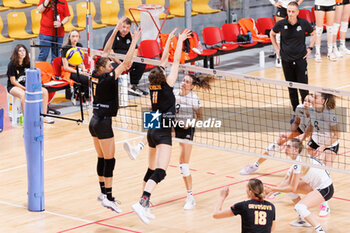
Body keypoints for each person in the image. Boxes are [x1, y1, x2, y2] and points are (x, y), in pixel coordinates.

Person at [131, 29, 192, 224]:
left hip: (151, 132)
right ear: (164, 76)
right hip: (163, 133)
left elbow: (164, 59)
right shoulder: (167, 84)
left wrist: (167, 42)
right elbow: (174, 61)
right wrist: (180, 41)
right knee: (161, 172)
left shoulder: (153, 85)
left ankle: (145, 206)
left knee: (151, 170)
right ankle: (142, 202)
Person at [89, 17, 141, 213]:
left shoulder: (96, 72)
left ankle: (103, 192)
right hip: (103, 123)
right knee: (110, 160)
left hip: (94, 121)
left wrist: (115, 30)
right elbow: (127, 62)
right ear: (104, 68)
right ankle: (109, 198)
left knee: (102, 158)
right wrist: (134, 40)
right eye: (110, 66)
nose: (112, 66)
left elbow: (106, 52)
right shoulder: (108, 77)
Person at [264, 138, 333, 233]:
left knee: (300, 207)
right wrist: (272, 191)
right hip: (315, 186)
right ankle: (302, 219)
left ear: (295, 150)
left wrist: (271, 189)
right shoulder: (298, 161)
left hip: (326, 189)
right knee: (290, 192)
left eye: (288, 146)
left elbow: (292, 187)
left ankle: (320, 231)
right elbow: (286, 183)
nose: (285, 148)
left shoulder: (299, 163)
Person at [240, 94, 313, 175]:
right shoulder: (300, 108)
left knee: (308, 150)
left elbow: (310, 132)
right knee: (280, 141)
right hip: (302, 128)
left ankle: (306, 173)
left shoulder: (316, 114)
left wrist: (296, 140)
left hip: (316, 132)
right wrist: (287, 134)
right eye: (305, 100)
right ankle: (255, 166)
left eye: (309, 102)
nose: (306, 103)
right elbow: (296, 123)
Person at [270, 1, 316, 112]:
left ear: (297, 12)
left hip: (300, 59)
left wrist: (310, 48)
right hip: (286, 60)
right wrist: (277, 50)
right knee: (292, 89)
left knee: (304, 89)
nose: (290, 14)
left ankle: (307, 112)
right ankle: (296, 113)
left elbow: (314, 34)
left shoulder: (303, 23)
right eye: (289, 11)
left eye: (293, 11)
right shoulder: (281, 24)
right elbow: (272, 34)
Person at [304, 92, 339, 217]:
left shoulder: (330, 115)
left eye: (315, 97)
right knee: (305, 164)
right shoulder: (312, 110)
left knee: (325, 171)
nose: (312, 99)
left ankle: (325, 205)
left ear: (323, 101)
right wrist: (304, 137)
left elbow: (337, 135)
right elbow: (311, 125)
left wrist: (323, 147)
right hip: (316, 141)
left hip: (329, 144)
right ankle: (297, 186)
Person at [7, 44, 54, 124]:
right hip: (14, 87)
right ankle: (27, 119)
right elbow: (13, 81)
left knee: (44, 91)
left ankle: (44, 116)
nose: (22, 53)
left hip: (27, 86)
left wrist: (35, 86)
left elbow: (33, 76)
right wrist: (25, 89)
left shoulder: (28, 63)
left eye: (24, 50)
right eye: (20, 51)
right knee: (24, 95)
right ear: (16, 53)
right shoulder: (11, 64)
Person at [103, 17, 147, 96]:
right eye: (123, 27)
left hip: (127, 60)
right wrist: (121, 64)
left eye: (127, 28)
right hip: (114, 60)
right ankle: (114, 88)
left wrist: (131, 61)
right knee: (113, 68)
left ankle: (133, 85)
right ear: (119, 26)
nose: (125, 30)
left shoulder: (129, 35)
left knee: (141, 62)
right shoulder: (112, 33)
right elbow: (110, 52)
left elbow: (135, 49)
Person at [269, 0, 304, 67]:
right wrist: (274, 3)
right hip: (282, 7)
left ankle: (293, 55)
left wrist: (298, 2)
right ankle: (279, 56)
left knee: (293, 31)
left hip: (292, 7)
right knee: (279, 33)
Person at [61, 29, 90, 103]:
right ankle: (82, 95)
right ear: (69, 37)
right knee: (85, 79)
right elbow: (66, 67)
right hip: (68, 71)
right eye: (73, 36)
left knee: (90, 76)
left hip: (77, 69)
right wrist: (80, 72)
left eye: (76, 36)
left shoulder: (79, 46)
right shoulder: (65, 48)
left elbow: (80, 62)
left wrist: (83, 69)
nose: (75, 38)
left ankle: (85, 95)